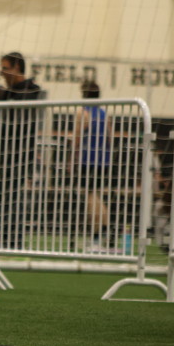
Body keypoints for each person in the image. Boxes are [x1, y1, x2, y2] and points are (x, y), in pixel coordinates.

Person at [0, 51, 45, 249]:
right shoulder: (2, 93)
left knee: (12, 199)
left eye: (5, 68)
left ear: (17, 67)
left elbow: (16, 124)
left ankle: (12, 242)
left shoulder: (31, 91)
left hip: (19, 155)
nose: (2, 72)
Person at [73, 80, 111, 252]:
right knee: (96, 196)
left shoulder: (83, 112)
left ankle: (99, 234)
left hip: (87, 161)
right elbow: (110, 138)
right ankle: (100, 232)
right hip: (103, 162)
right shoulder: (104, 114)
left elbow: (77, 139)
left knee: (90, 197)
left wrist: (72, 160)